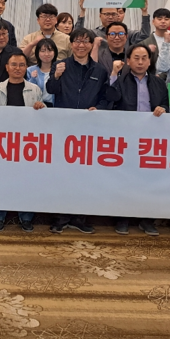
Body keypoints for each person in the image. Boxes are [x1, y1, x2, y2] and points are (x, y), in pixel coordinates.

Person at [45, 28, 110, 234]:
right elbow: (51, 90)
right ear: (71, 44)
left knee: (85, 174)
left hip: (89, 129)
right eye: (77, 41)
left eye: (85, 41)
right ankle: (60, 217)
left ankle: (79, 217)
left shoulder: (100, 71)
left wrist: (98, 109)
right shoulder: (60, 65)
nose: (81, 45)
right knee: (62, 174)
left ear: (91, 45)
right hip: (63, 129)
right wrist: (56, 76)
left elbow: (105, 97)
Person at [106, 43, 169, 236]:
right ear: (128, 61)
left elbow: (167, 104)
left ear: (149, 62)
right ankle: (122, 218)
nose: (140, 62)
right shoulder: (120, 80)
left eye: (144, 58)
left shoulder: (159, 83)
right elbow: (111, 97)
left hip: (151, 138)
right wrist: (114, 74)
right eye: (136, 58)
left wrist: (163, 109)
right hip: (126, 137)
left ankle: (146, 219)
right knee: (125, 178)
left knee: (149, 179)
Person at [0, 51, 45, 232]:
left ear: (26, 68)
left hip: (27, 142)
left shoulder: (35, 89)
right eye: (14, 65)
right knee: (0, 180)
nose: (17, 68)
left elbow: (43, 114)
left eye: (21, 65)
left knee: (27, 181)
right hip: (2, 142)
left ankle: (26, 217)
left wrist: (41, 107)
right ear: (7, 67)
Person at [75, 0, 150, 44]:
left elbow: (144, 35)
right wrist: (82, 11)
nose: (110, 17)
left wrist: (144, 12)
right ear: (100, 15)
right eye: (107, 14)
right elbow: (77, 34)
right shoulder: (94, 33)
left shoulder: (127, 33)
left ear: (117, 15)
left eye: (113, 14)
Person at [27, 39, 58, 107]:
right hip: (36, 106)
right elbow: (27, 92)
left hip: (55, 107)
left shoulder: (59, 70)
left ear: (55, 52)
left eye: (50, 50)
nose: (46, 54)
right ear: (37, 53)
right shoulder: (30, 70)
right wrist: (32, 79)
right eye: (43, 51)